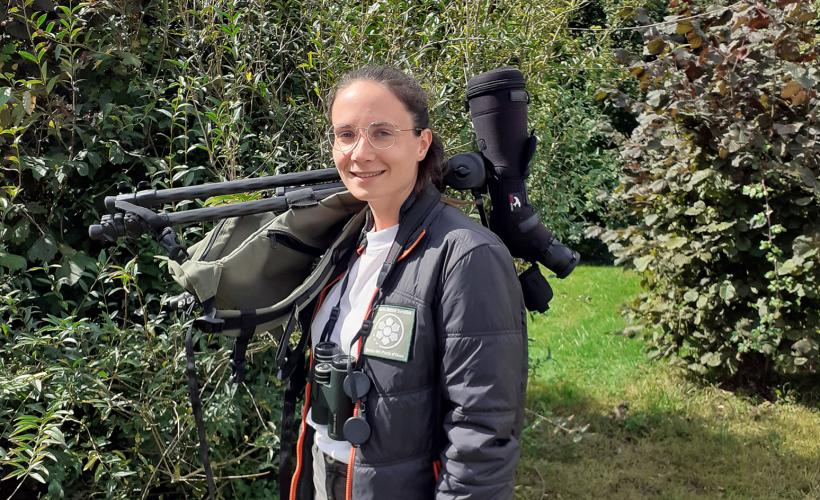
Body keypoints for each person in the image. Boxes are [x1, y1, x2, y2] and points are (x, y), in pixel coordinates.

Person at [287, 65, 528, 500]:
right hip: (327, 474)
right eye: (346, 134)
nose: (360, 153)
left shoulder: (466, 255)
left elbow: (483, 429)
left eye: (382, 133)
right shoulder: (345, 243)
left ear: (421, 143)